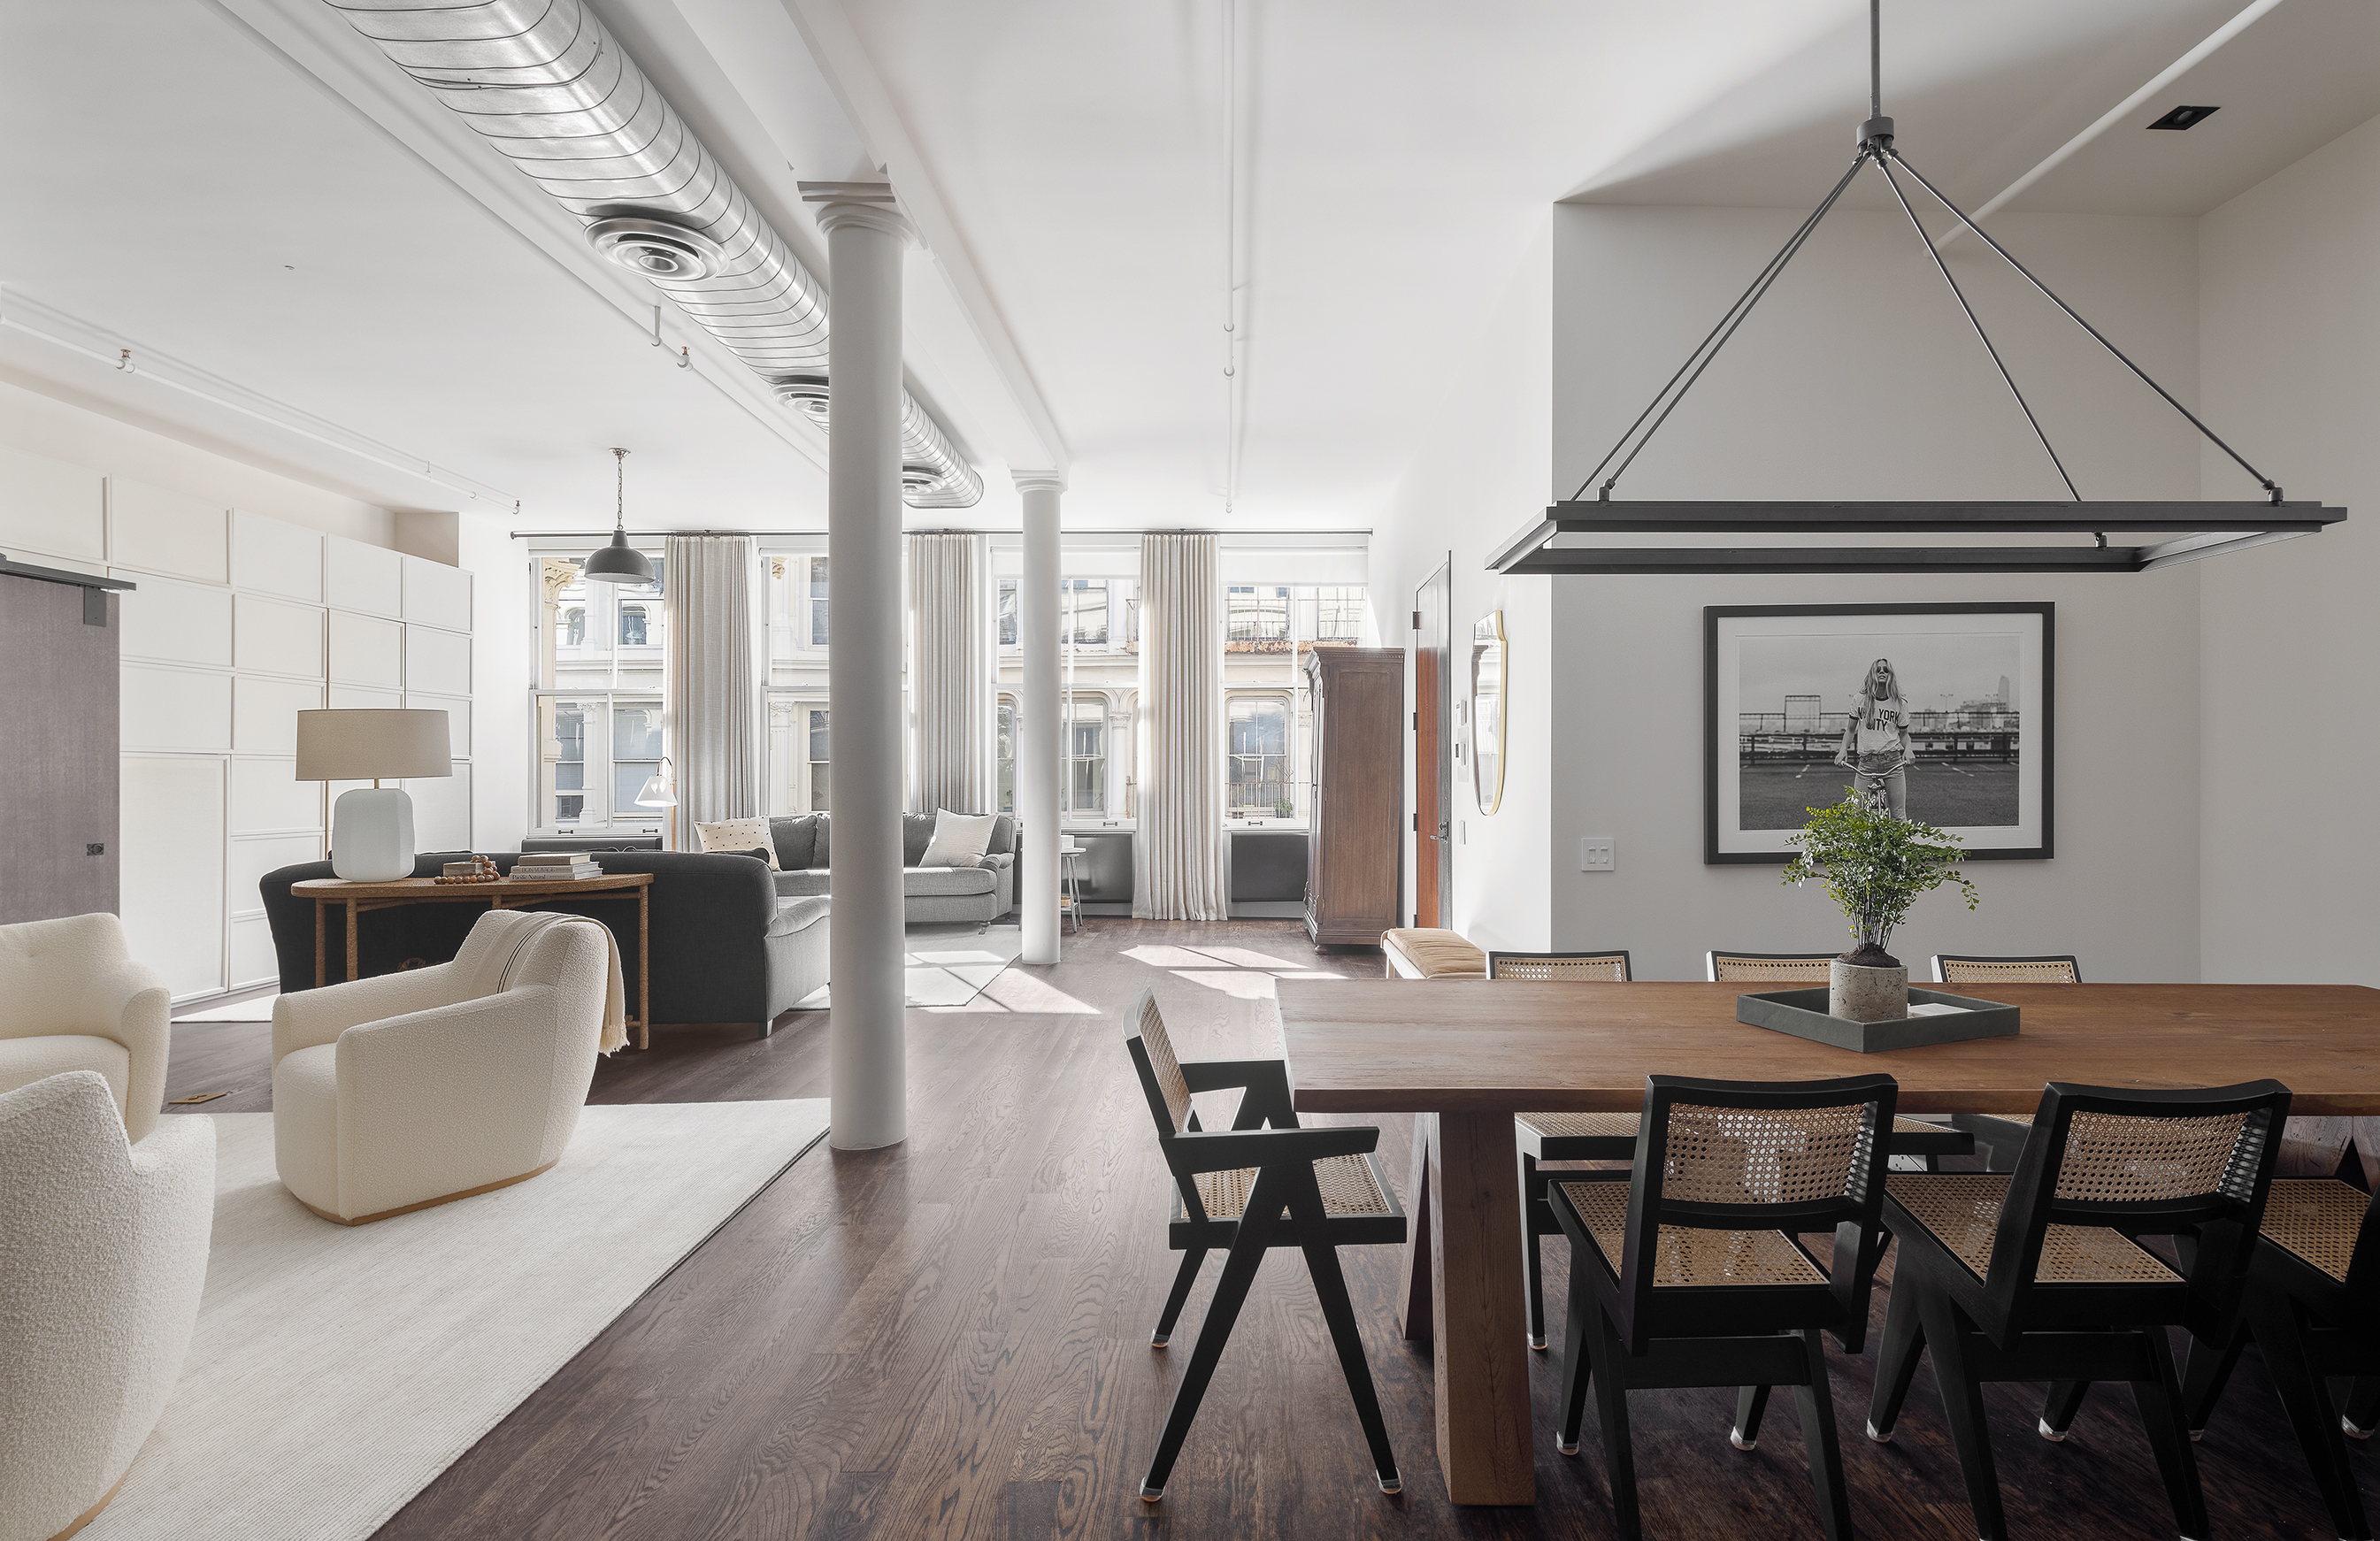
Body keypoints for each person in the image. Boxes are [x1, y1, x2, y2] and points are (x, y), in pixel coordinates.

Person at [1834, 657, 1914, 818]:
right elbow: (1850, 730)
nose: (1882, 672)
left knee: (1898, 815)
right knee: (1857, 815)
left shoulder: (1900, 703)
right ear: (1872, 674)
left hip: (1892, 761)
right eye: (1878, 670)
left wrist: (1909, 750)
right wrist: (1843, 750)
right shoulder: (1859, 700)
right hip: (1866, 763)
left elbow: (1904, 734)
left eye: (1886, 670)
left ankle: (1899, 844)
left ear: (1891, 675)